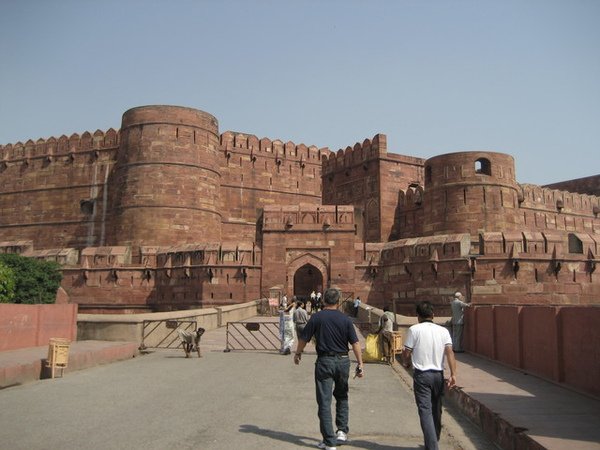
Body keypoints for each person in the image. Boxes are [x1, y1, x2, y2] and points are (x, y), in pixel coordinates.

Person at [294, 288, 364, 450]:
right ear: (338, 301)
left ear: (324, 300)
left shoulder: (317, 317)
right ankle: (341, 431)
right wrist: (360, 364)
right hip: (343, 361)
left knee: (324, 402)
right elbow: (355, 343)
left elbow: (304, 338)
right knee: (342, 396)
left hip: (325, 361)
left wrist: (298, 353)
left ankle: (329, 441)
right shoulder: (345, 319)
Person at [402, 301, 456, 450]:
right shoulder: (443, 331)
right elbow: (450, 353)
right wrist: (453, 374)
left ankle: (432, 446)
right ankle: (433, 440)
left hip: (422, 375)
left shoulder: (414, 329)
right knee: (436, 409)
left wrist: (406, 362)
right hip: (438, 375)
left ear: (417, 316)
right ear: (433, 315)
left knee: (425, 411)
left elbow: (407, 351)